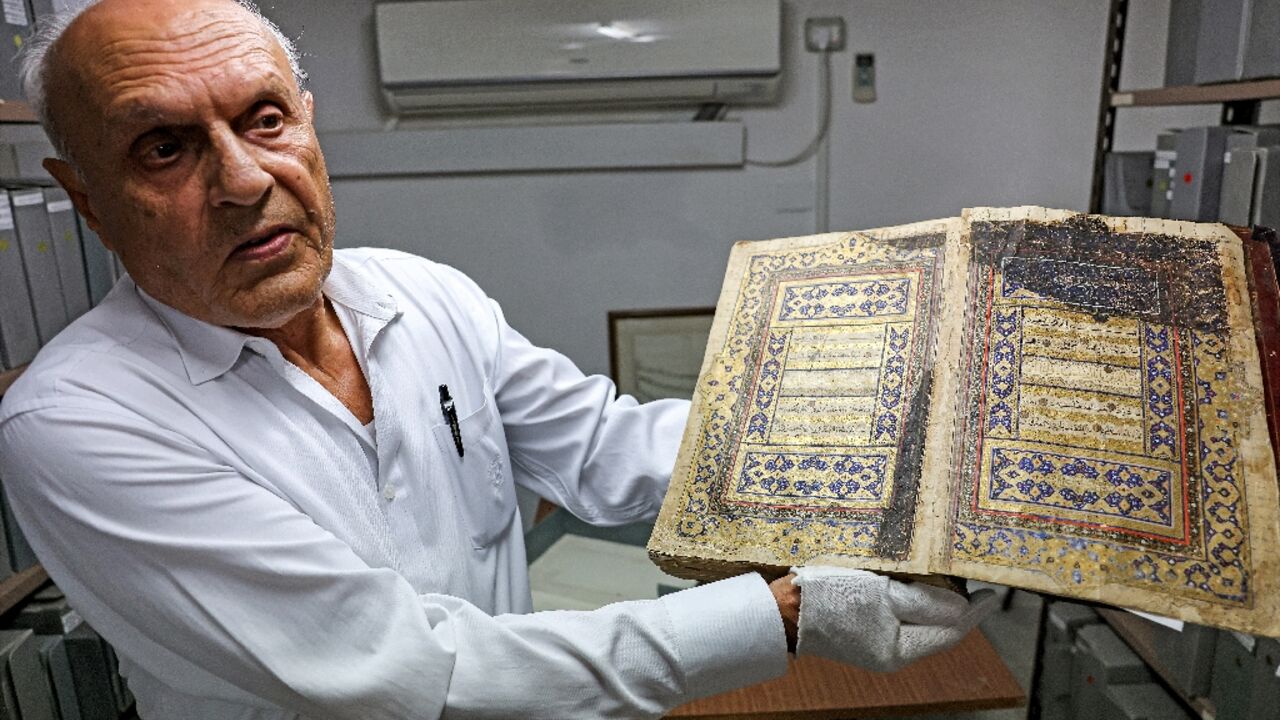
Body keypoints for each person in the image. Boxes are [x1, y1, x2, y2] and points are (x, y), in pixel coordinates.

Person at [0, 1, 996, 718]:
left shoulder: (415, 291)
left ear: (306, 121)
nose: (243, 179)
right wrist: (787, 614)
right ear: (84, 195)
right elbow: (410, 675)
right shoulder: (78, 423)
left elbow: (607, 448)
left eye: (264, 118)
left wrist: (900, 461)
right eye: (163, 149)